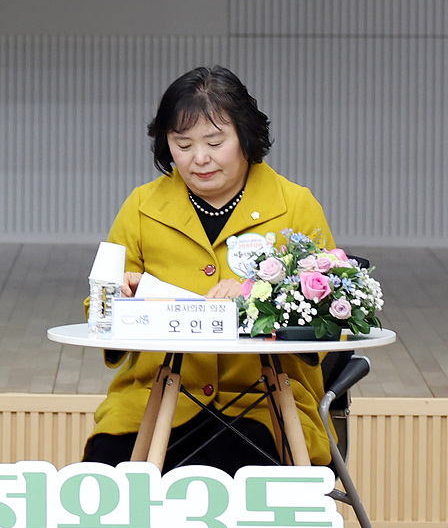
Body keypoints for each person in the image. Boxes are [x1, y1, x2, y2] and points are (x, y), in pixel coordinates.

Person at [86, 66, 335, 473]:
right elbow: (98, 310)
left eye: (215, 142)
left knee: (249, 482)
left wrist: (258, 298)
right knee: (104, 476)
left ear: (245, 138)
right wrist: (121, 296)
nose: (199, 158)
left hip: (265, 404)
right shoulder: (142, 206)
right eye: (182, 144)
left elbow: (325, 315)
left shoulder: (294, 205)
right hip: (152, 399)